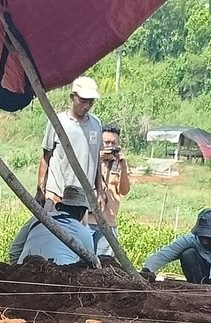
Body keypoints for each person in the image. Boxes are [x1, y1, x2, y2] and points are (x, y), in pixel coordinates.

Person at [36, 76, 102, 211]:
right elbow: (46, 156)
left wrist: (100, 191)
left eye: (91, 102)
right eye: (83, 101)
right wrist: (41, 187)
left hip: (82, 198)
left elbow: (96, 160)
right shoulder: (58, 122)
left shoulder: (96, 125)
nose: (86, 106)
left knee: (76, 231)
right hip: (57, 192)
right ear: (73, 97)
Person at [17, 185, 94, 265]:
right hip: (60, 273)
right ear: (82, 212)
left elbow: (15, 249)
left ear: (61, 206)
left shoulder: (37, 218)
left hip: (24, 270)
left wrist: (17, 269)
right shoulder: (84, 233)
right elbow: (91, 265)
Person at [89, 122, 130, 256]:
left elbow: (124, 191)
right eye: (106, 143)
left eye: (114, 143)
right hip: (88, 221)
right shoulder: (89, 159)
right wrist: (97, 159)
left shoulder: (119, 164)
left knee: (105, 265)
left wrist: (123, 165)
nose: (110, 147)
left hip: (108, 222)